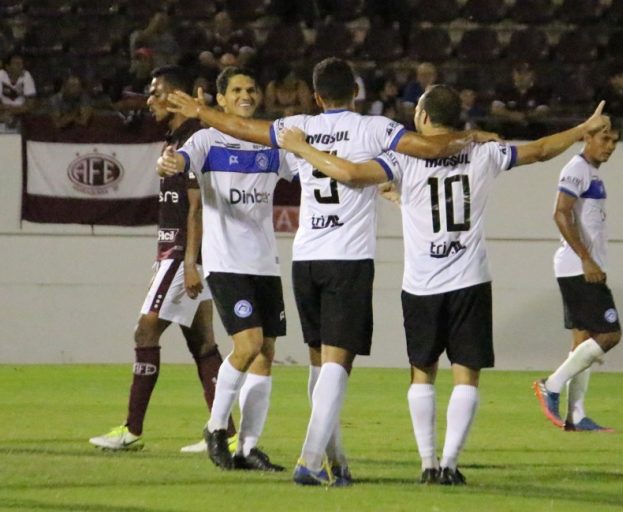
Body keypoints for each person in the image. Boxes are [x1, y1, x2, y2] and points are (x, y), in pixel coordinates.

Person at [165, 57, 497, 486]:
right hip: (348, 260)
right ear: (355, 93)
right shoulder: (375, 129)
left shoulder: (298, 125)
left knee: (320, 367)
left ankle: (335, 463)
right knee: (338, 368)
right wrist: (471, 137)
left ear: (317, 96)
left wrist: (202, 113)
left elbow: (245, 129)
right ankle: (308, 459)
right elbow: (432, 147)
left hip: (306, 260)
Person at [277, 86, 609, 485]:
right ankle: (450, 465)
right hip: (469, 279)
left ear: (424, 117)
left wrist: (304, 149)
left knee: (422, 375)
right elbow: (538, 150)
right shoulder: (485, 151)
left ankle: (428, 463)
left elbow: (352, 174)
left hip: (420, 284)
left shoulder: (404, 156)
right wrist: (581, 130)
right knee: (466, 376)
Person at [89, 65, 235, 452]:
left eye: (156, 93)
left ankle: (131, 430)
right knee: (203, 343)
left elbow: (197, 205)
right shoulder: (178, 137)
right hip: (182, 255)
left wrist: (188, 263)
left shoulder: (195, 139)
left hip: (183, 255)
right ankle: (225, 432)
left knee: (145, 330)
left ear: (178, 96)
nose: (149, 100)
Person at [156, 66, 290, 471]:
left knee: (265, 353)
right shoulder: (206, 139)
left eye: (251, 88)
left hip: (265, 262)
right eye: (237, 90)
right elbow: (180, 160)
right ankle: (216, 429)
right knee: (247, 346)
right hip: (227, 261)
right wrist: (170, 162)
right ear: (223, 99)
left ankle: (249, 448)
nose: (246, 94)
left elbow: (308, 169)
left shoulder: (272, 143)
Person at [533, 125, 621, 433]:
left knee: (583, 340)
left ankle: (576, 415)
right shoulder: (576, 168)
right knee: (609, 334)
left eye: (614, 141)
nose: (610, 146)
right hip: (577, 267)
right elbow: (560, 213)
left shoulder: (592, 173)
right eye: (604, 138)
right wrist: (586, 258)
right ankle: (551, 385)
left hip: (581, 266)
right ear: (587, 138)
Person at [0, 52, 36, 130]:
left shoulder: (26, 76)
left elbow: (30, 105)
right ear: (8, 67)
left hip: (21, 114)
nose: (21, 66)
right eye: (16, 64)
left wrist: (11, 111)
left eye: (21, 63)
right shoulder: (1, 76)